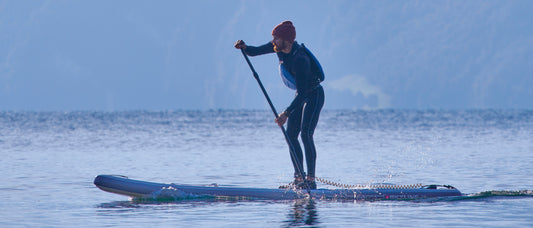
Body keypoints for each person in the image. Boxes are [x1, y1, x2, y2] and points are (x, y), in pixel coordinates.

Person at [235, 21, 325, 189]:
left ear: (287, 40)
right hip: (301, 95)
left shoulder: (300, 59)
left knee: (306, 134)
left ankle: (310, 181)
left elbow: (304, 93)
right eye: (273, 38)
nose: (273, 41)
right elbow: (255, 52)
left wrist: (285, 113)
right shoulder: (278, 47)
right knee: (291, 135)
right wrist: (244, 47)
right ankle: (299, 179)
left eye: (276, 38)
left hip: (314, 95)